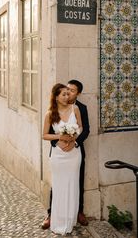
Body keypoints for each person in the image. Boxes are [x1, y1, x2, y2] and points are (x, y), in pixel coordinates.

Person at [42, 79, 90, 230]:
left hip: (74, 152)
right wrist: (60, 140)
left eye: (70, 92)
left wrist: (73, 140)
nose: (67, 94)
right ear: (57, 96)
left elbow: (84, 128)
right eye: (65, 92)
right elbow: (46, 134)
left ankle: (74, 215)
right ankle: (53, 216)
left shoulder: (78, 108)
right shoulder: (51, 113)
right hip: (58, 153)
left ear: (78, 93)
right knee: (57, 185)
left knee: (75, 185)